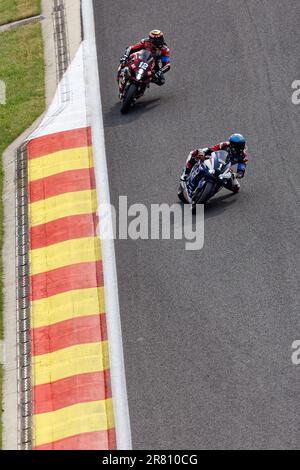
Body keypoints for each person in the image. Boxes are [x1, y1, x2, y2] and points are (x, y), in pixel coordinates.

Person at [180, 134, 248, 193]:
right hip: (215, 161)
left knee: (236, 188)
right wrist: (203, 153)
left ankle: (212, 190)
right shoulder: (224, 145)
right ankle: (185, 173)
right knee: (194, 153)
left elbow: (241, 168)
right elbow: (211, 149)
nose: (241, 148)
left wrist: (238, 174)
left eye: (242, 145)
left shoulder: (243, 155)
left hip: (225, 168)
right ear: (233, 145)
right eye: (239, 146)